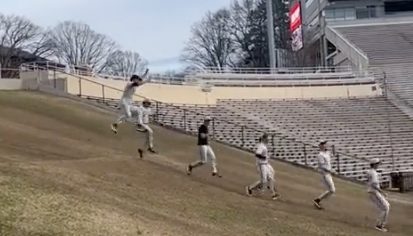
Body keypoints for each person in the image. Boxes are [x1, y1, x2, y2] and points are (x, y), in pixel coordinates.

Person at [245, 133, 280, 200]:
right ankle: (250, 188)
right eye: (267, 138)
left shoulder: (264, 145)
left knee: (270, 177)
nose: (268, 140)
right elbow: (257, 154)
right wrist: (264, 157)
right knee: (264, 180)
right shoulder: (261, 146)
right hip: (261, 164)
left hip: (265, 164)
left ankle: (273, 193)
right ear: (264, 139)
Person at [366, 158, 390, 232]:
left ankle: (380, 224)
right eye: (378, 164)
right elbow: (374, 185)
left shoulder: (370, 172)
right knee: (386, 207)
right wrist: (382, 192)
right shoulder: (373, 173)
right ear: (375, 164)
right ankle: (379, 225)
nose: (379, 165)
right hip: (374, 192)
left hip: (372, 191)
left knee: (385, 207)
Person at [313, 140, 335, 210]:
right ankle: (317, 200)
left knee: (332, 190)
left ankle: (318, 200)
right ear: (321, 146)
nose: (326, 145)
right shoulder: (320, 155)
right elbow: (322, 165)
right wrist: (330, 170)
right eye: (324, 144)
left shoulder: (327, 153)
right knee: (332, 190)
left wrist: (333, 148)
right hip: (325, 173)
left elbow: (333, 155)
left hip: (328, 173)